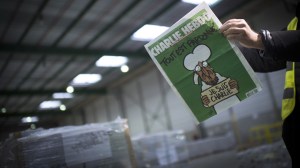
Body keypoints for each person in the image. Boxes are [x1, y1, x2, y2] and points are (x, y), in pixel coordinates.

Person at [220, 3, 300, 167]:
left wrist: (260, 39)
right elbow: (265, 58)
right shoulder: (295, 22)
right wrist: (219, 54)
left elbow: (277, 44)